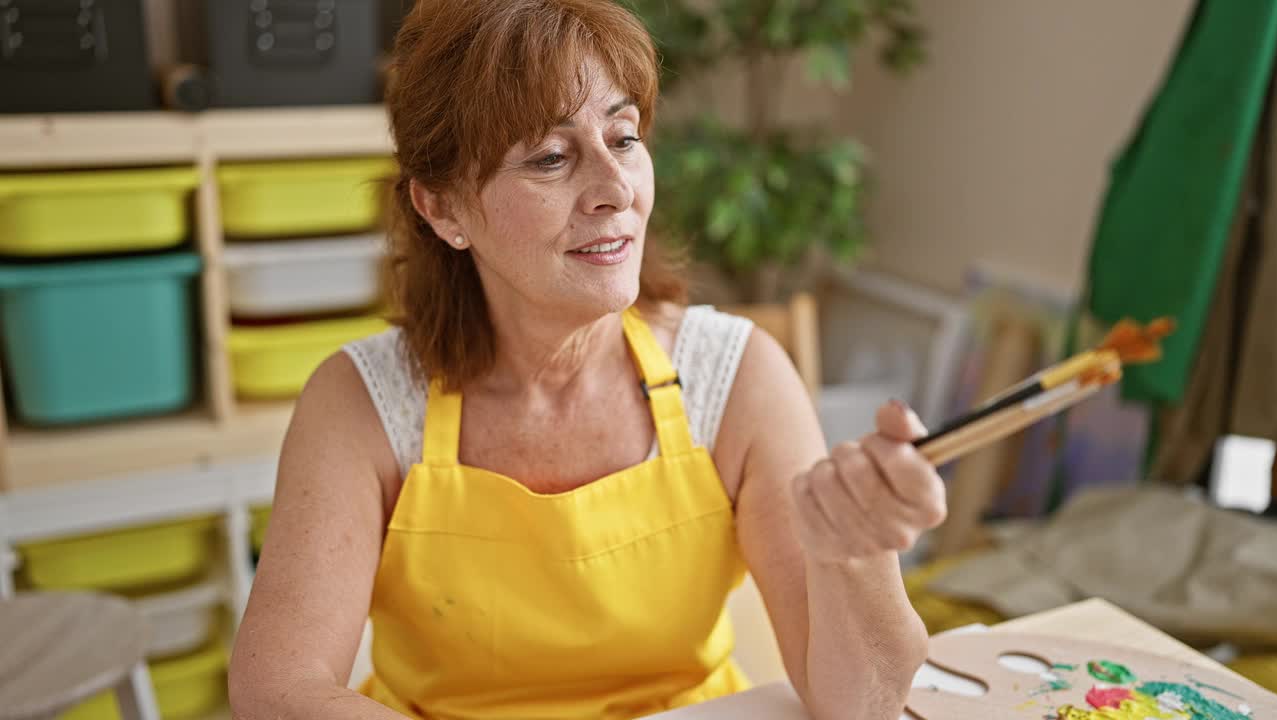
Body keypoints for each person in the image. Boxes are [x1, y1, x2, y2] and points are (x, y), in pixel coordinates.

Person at [227, 1, 947, 718]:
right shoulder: (361, 402)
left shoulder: (739, 375)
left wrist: (856, 552)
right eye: (550, 157)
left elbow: (859, 704)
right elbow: (278, 690)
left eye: (624, 138)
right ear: (443, 208)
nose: (615, 190)